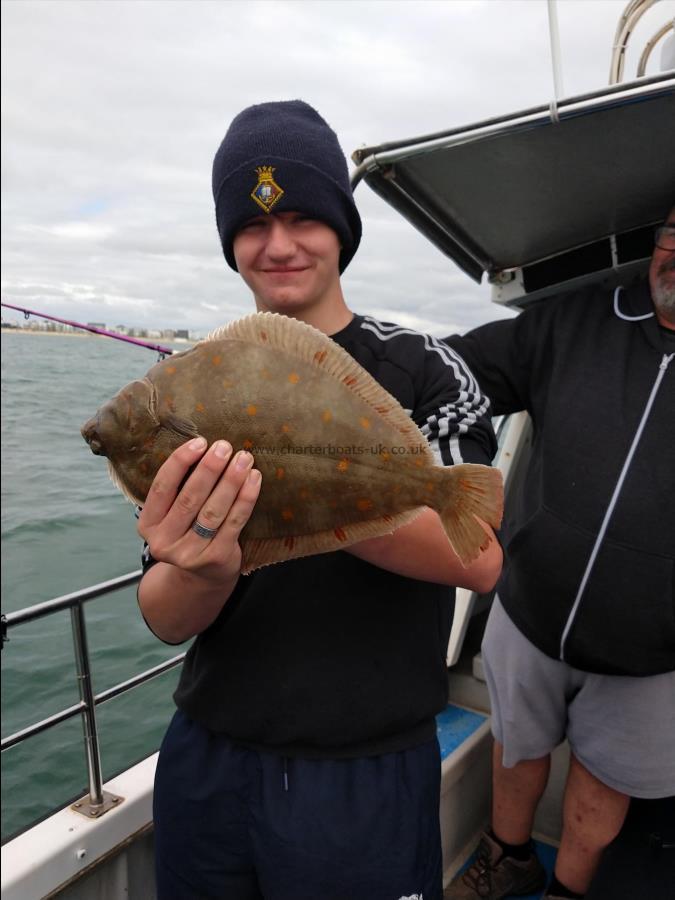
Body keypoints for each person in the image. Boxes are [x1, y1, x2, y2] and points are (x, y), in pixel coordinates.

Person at [136, 100, 503, 900]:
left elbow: (476, 556)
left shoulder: (423, 369)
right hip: (206, 755)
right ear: (230, 240)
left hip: (363, 771)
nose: (278, 245)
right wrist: (201, 566)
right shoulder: (199, 383)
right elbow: (164, 616)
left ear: (341, 226)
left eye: (302, 217)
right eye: (252, 224)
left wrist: (306, 485)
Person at [442, 208, 675, 900]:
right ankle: (506, 857)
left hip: (653, 652)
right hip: (528, 606)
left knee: (603, 791)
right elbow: (449, 377)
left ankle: (564, 893)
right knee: (516, 752)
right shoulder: (570, 322)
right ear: (653, 242)